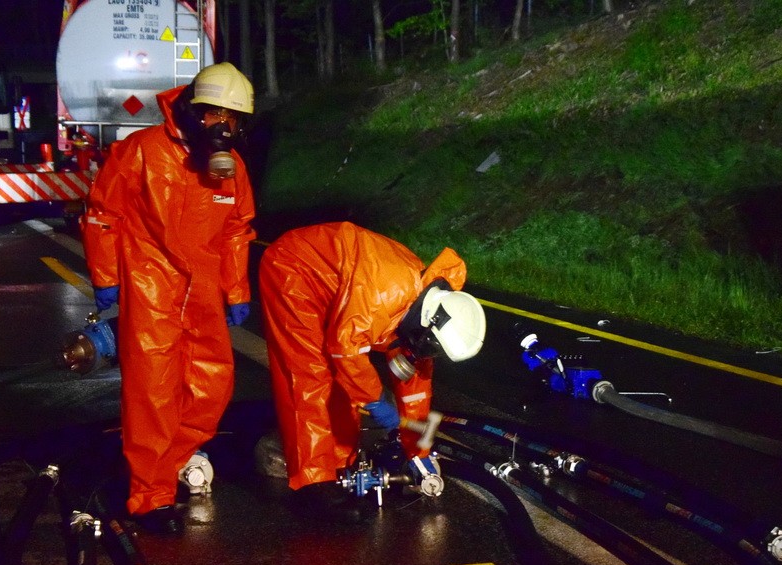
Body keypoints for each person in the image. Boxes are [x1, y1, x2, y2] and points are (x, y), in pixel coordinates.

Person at [80, 63, 257, 535]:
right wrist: (106, 276)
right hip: (150, 286)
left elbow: (238, 229)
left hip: (202, 290)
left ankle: (171, 461)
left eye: (234, 119)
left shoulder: (231, 168)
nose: (224, 127)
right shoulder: (141, 152)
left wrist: (236, 287)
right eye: (216, 115)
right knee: (153, 396)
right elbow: (103, 215)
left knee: (212, 388)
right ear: (194, 111)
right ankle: (150, 496)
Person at [258, 221, 487, 522]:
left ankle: (339, 465)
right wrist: (376, 400)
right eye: (433, 349)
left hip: (339, 289)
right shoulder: (387, 295)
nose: (430, 356)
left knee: (346, 385)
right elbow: (345, 349)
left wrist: (419, 450)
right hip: (296, 270)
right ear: (429, 329)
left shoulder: (422, 312)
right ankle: (315, 483)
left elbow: (416, 389)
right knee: (312, 376)